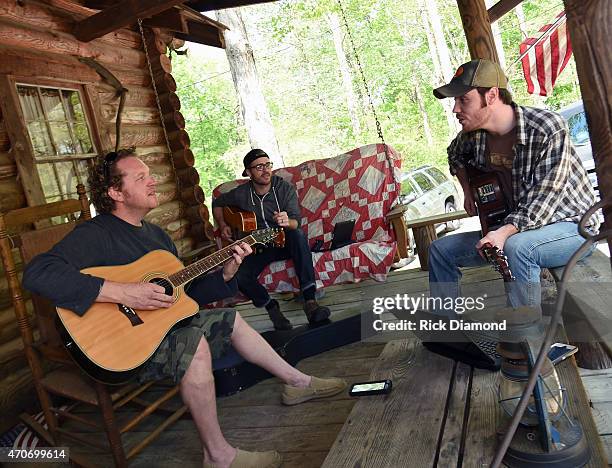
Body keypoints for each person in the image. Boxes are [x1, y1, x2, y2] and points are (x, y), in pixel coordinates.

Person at [23, 149, 347, 468]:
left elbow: (185, 296)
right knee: (195, 344)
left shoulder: (156, 236)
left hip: (158, 330)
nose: (153, 182)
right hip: (121, 348)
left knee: (229, 318)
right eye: (141, 177)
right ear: (115, 192)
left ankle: (297, 383)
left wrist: (227, 274)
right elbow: (38, 273)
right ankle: (218, 456)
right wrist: (123, 292)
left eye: (150, 175)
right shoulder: (96, 233)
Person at [428, 58, 598, 311]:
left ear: (492, 95)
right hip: (514, 229)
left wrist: (502, 232)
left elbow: (545, 197)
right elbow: (454, 154)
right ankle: (448, 327)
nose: (455, 109)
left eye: (464, 100)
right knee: (439, 250)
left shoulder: (546, 127)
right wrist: (467, 190)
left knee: (518, 247)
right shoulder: (473, 137)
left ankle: (528, 337)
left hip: (572, 228)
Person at [212, 148, 330, 331]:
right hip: (258, 246)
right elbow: (218, 203)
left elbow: (296, 223)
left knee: (298, 235)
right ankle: (271, 308)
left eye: (268, 165)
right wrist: (223, 224)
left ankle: (310, 302)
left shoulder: (283, 188)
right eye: (259, 167)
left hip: (283, 241)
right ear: (248, 172)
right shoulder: (241, 193)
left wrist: (287, 221)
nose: (266, 170)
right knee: (238, 274)